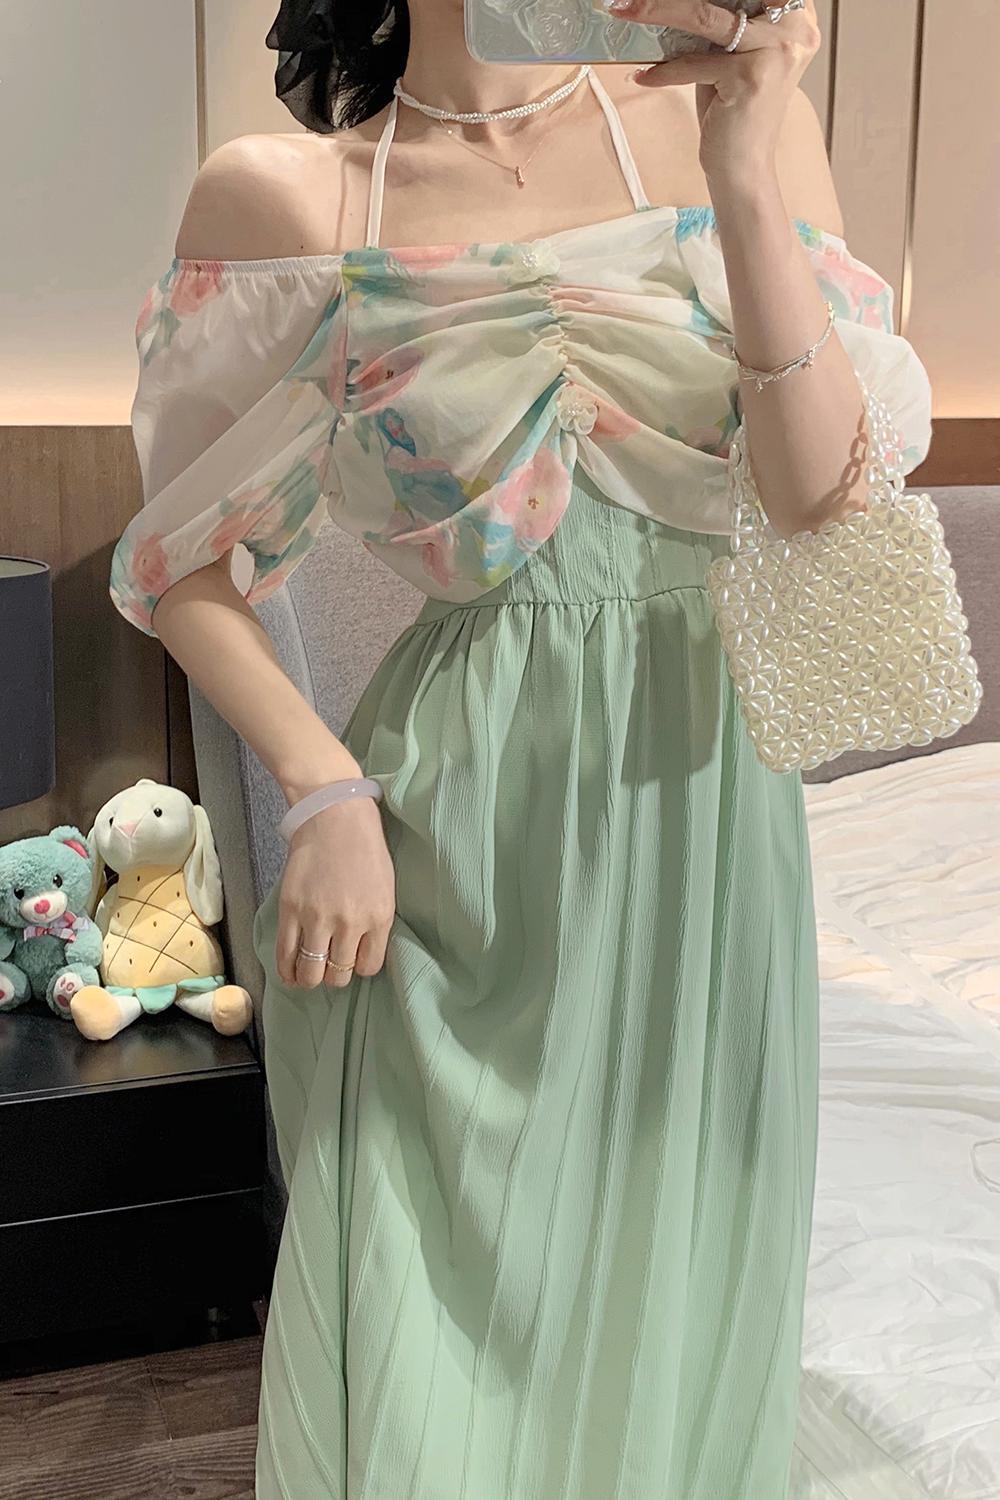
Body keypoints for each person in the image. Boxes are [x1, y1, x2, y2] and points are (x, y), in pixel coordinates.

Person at [109, 1, 933, 1494]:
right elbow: (178, 565)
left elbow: (818, 493)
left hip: (706, 817)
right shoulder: (289, 201)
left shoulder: (732, 129)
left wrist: (745, 165)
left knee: (676, 1306)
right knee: (423, 1322)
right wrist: (322, 786)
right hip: (451, 830)